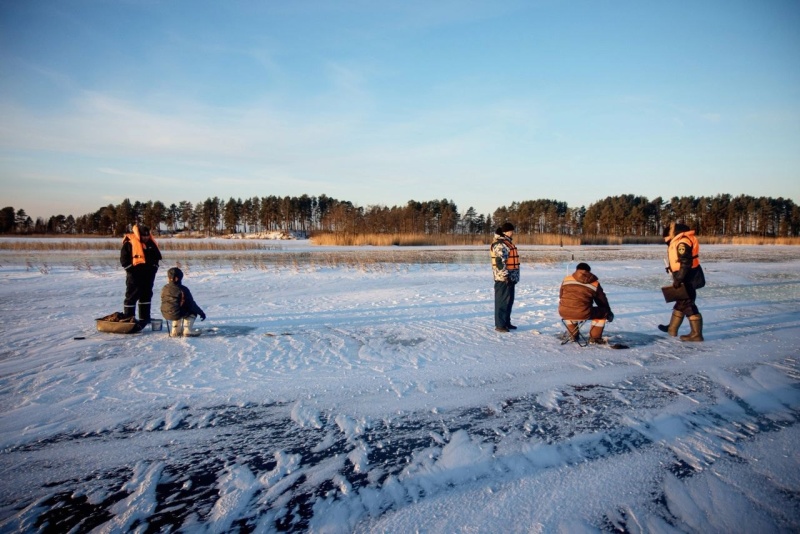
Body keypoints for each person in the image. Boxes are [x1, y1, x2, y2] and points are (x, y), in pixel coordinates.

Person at [659, 222, 705, 342]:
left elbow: (686, 262)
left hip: (687, 277)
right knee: (681, 302)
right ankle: (672, 328)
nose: (666, 240)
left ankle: (696, 334)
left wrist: (679, 278)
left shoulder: (682, 242)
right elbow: (679, 260)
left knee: (688, 304)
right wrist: (672, 269)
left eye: (666, 237)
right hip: (685, 275)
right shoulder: (680, 240)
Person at [558, 262, 614, 344]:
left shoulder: (566, 279)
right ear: (589, 271)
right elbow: (601, 300)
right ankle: (595, 338)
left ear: (577, 270)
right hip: (583, 312)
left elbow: (561, 295)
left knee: (569, 308)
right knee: (603, 313)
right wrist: (608, 312)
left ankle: (572, 335)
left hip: (563, 311)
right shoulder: (594, 283)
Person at [120, 224, 162, 324]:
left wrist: (154, 268)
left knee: (146, 295)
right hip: (134, 276)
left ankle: (145, 318)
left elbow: (156, 258)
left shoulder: (151, 244)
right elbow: (124, 260)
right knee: (132, 296)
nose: (146, 237)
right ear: (139, 234)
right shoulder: (129, 244)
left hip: (149, 275)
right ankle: (129, 318)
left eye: (147, 235)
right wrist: (131, 271)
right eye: (144, 236)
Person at [491, 222, 520, 332]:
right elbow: (500, 262)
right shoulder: (500, 244)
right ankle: (500, 325)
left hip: (510, 278)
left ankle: (506, 322)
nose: (513, 233)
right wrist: (505, 275)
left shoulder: (507, 243)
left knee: (509, 301)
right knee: (502, 302)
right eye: (511, 231)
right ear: (506, 232)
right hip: (503, 279)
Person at [160, 267, 206, 337]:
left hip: (165, 313)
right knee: (192, 311)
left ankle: (175, 331)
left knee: (176, 308)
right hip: (177, 313)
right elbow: (192, 304)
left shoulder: (165, 288)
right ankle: (188, 331)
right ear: (178, 278)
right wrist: (201, 313)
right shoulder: (183, 289)